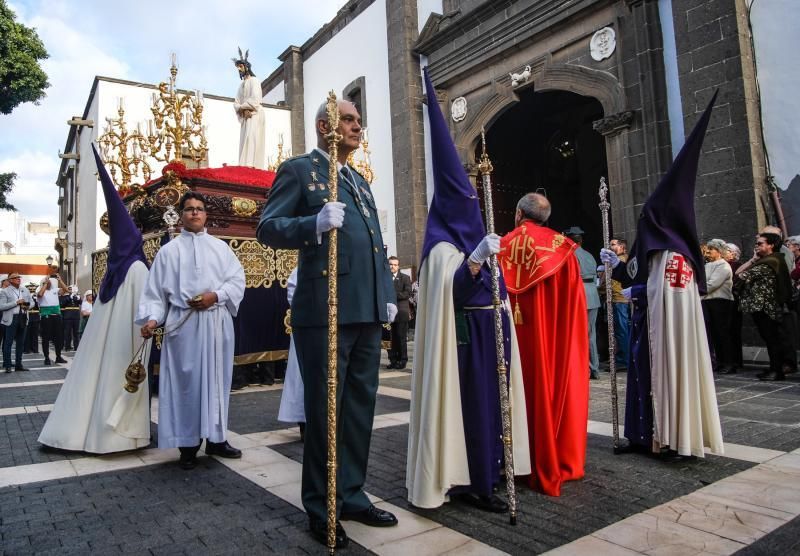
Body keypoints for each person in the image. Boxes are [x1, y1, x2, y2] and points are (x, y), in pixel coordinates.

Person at [257, 98, 398, 548]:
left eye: (360, 120)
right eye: (350, 120)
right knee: (326, 412)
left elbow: (375, 244)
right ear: (325, 126)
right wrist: (312, 222)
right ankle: (321, 505)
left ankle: (351, 492)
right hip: (327, 311)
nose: (359, 127)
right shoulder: (300, 170)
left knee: (359, 409)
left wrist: (386, 296)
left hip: (366, 310)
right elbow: (268, 227)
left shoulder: (358, 179)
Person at [407, 67, 530, 512]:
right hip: (468, 340)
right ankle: (476, 482)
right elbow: (452, 292)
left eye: (475, 202)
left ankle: (495, 468)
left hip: (495, 330)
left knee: (497, 408)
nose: (474, 209)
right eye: (467, 204)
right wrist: (475, 261)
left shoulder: (478, 236)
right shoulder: (441, 247)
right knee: (476, 410)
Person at [601, 92, 722, 459]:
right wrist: (617, 267)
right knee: (640, 379)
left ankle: (669, 436)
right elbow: (637, 274)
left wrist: (638, 290)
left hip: (663, 336)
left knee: (660, 379)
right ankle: (640, 435)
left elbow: (659, 292)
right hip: (647, 330)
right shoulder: (657, 252)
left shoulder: (674, 256)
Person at [39, 146, 153, 453]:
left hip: (104, 346)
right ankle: (119, 436)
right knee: (116, 383)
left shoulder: (111, 272)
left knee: (91, 384)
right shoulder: (139, 268)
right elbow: (146, 308)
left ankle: (77, 434)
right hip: (127, 344)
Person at [138, 191, 245, 469]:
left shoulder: (220, 248)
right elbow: (155, 294)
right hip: (183, 326)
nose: (195, 213)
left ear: (206, 214)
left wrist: (217, 296)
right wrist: (152, 319)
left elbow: (237, 281)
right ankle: (187, 444)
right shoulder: (168, 251)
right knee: (187, 384)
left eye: (199, 209)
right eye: (189, 209)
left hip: (216, 322)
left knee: (217, 380)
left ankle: (217, 439)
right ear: (181, 215)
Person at [497, 193, 589, 497]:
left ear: (520, 213)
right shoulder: (563, 250)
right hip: (552, 343)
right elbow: (572, 312)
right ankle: (555, 456)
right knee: (549, 386)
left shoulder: (501, 245)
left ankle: (515, 459)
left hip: (514, 341)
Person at [735, 232, 793, 381]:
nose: (757, 246)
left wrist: (752, 264)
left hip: (767, 307)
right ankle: (774, 369)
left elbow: (741, 274)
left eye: (760, 243)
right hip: (761, 307)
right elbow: (738, 273)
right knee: (769, 339)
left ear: (771, 245)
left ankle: (777, 371)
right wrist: (754, 258)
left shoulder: (770, 261)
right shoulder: (766, 260)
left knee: (773, 339)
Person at [564, 227, 602, 379]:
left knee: (578, 334)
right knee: (591, 334)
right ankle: (595, 368)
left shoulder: (570, 255)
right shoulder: (589, 255)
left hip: (579, 295)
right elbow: (594, 278)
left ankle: (584, 368)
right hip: (592, 294)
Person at [277, 268, 305, 438]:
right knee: (303, 379)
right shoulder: (303, 266)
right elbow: (293, 292)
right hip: (309, 327)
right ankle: (305, 422)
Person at [702, 239, 736, 374]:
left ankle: (729, 363)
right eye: (708, 248)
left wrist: (699, 291)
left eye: (712, 249)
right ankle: (720, 361)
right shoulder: (707, 265)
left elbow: (711, 284)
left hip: (721, 302)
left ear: (719, 251)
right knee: (714, 334)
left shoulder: (723, 266)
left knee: (723, 333)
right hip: (708, 301)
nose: (708, 251)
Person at [232, 48, 266, 169]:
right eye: (238, 68)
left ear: (246, 67)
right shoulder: (241, 85)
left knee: (252, 138)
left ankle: (252, 165)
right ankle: (245, 165)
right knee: (245, 140)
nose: (239, 69)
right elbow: (236, 102)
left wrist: (245, 108)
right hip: (246, 115)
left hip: (254, 114)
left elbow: (256, 99)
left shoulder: (255, 81)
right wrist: (242, 109)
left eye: (240, 67)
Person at [0, 272, 33, 373]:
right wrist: (16, 303)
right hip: (11, 318)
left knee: (20, 343)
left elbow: (32, 302)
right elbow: (1, 306)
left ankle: (19, 365)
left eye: (19, 277)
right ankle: (8, 365)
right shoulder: (4, 292)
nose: (18, 278)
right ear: (10, 280)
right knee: (8, 343)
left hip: (23, 317)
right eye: (15, 277)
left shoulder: (25, 289)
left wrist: (27, 306)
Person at [607, 237, 630, 370]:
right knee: (622, 329)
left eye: (613, 245)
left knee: (621, 330)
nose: (611, 247)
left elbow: (615, 282)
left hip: (619, 298)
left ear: (622, 246)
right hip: (620, 298)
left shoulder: (621, 260)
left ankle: (623, 359)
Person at [37, 265, 67, 365]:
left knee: (58, 337)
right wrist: (45, 283)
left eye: (50, 282)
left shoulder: (55, 290)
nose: (50, 283)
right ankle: (46, 358)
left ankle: (58, 356)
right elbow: (40, 295)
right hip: (46, 317)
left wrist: (60, 280)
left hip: (56, 316)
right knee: (46, 338)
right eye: (47, 282)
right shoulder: (40, 291)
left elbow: (66, 290)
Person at [387, 256, 412, 369]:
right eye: (391, 264)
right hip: (387, 313)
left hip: (401, 312)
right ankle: (392, 360)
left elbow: (407, 293)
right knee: (390, 338)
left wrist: (392, 296)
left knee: (401, 337)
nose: (393, 266)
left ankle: (402, 360)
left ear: (398, 266)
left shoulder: (405, 278)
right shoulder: (384, 278)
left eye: (395, 264)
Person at [60, 285, 82, 351]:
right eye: (70, 289)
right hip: (68, 316)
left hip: (76, 316)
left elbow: (80, 303)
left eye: (72, 289)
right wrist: (69, 297)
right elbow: (62, 304)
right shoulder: (66, 297)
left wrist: (79, 298)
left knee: (76, 332)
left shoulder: (77, 296)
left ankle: (76, 347)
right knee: (68, 332)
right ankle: (67, 346)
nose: (71, 290)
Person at [23, 284, 40, 354]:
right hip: (28, 315)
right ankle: (27, 349)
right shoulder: (26, 296)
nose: (32, 289)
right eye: (30, 288)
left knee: (35, 334)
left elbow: (39, 306)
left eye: (33, 288)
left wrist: (36, 300)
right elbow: (25, 305)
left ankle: (35, 349)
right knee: (27, 333)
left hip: (36, 315)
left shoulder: (37, 296)